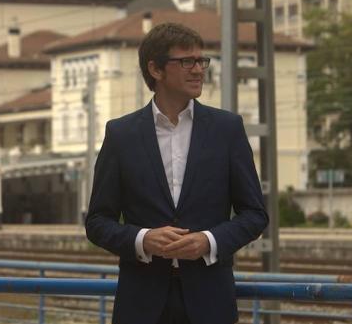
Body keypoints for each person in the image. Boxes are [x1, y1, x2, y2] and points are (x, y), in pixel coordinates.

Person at [85, 23, 269, 324]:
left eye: (202, 61)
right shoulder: (120, 134)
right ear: (155, 69)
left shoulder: (227, 129)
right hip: (141, 306)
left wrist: (208, 241)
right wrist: (143, 239)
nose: (199, 70)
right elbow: (97, 222)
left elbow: (255, 214)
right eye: (187, 61)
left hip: (210, 304)